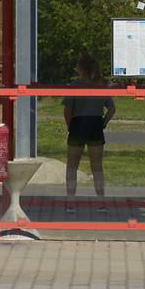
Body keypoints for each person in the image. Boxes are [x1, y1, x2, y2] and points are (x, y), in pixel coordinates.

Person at [62, 53, 116, 212]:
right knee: (97, 167)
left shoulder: (74, 86)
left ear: (79, 68)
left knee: (72, 166)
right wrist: (103, 124)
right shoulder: (101, 86)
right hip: (96, 126)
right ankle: (101, 202)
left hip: (78, 125)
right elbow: (112, 109)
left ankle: (70, 202)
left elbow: (67, 111)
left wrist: (71, 127)